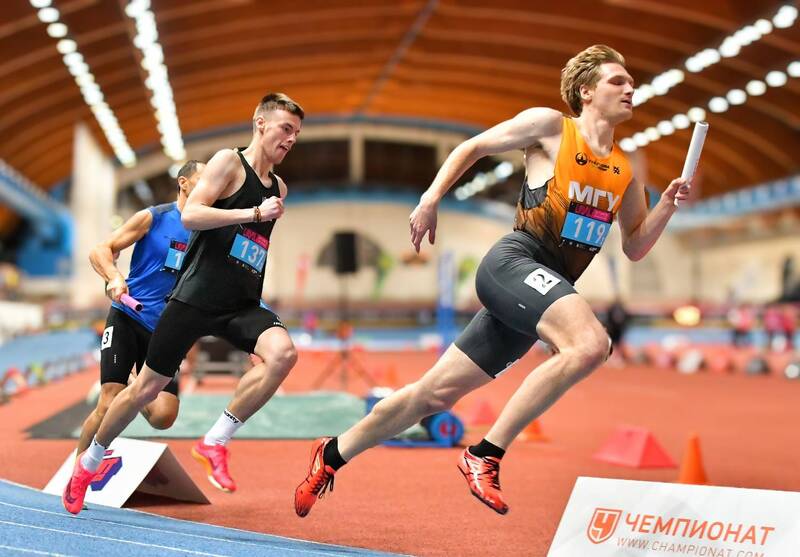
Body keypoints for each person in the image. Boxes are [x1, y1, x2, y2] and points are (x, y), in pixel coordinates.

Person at [294, 45, 691, 517]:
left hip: (541, 288)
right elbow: (473, 147)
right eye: (617, 81)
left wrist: (666, 206)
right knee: (590, 344)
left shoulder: (625, 171)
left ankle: (331, 454)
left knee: (432, 395)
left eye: (631, 83)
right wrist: (430, 198)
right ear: (586, 92)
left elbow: (635, 246)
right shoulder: (552, 128)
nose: (630, 89)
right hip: (515, 263)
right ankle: (485, 454)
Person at [63, 93, 304, 514]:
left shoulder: (279, 188)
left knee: (283, 354)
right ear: (260, 123)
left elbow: (252, 246)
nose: (291, 139)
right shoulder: (228, 162)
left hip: (240, 302)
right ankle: (89, 463)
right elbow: (191, 215)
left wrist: (259, 224)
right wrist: (253, 213)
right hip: (194, 298)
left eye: (297, 133)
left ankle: (215, 441)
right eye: (286, 129)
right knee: (143, 391)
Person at [76, 161, 204, 457]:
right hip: (129, 316)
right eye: (203, 179)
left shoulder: (208, 231)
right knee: (108, 402)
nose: (211, 185)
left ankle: (132, 381)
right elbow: (100, 250)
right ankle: (77, 471)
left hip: (166, 332)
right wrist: (114, 276)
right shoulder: (154, 217)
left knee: (163, 416)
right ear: (183, 183)